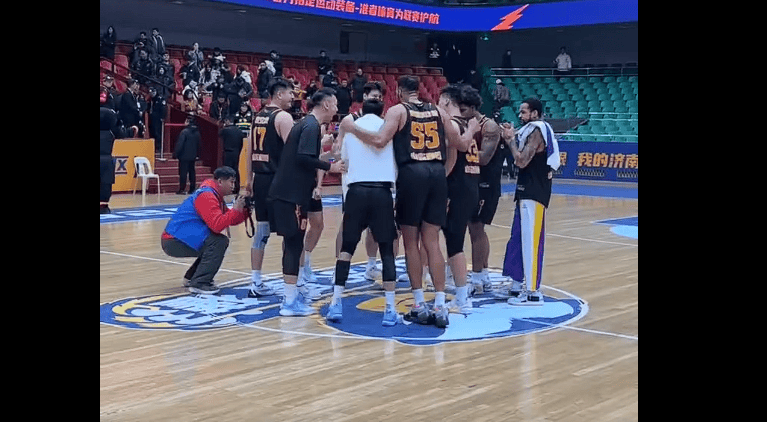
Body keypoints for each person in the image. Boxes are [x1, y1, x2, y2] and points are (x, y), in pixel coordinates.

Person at [340, 75, 479, 328]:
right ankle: (440, 303)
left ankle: (419, 303)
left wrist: (353, 129)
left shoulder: (398, 111)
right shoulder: (438, 111)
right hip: (436, 175)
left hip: (412, 174)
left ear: (399, 92)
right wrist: (471, 129)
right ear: (419, 90)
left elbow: (380, 140)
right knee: (432, 242)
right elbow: (460, 144)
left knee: (410, 242)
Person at [268, 88, 346, 316]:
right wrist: (330, 166)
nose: (337, 108)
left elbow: (304, 157)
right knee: (294, 245)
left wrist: (328, 159)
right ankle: (289, 302)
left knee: (293, 244)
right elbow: (304, 159)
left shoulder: (305, 124)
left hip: (287, 193)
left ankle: (291, 296)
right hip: (291, 195)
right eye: (335, 104)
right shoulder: (311, 126)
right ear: (326, 105)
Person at [326, 98, 399, 326]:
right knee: (387, 251)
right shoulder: (388, 128)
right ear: (382, 111)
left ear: (361, 111)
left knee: (346, 249)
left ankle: (336, 302)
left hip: (356, 191)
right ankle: (389, 308)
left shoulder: (351, 129)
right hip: (381, 191)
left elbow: (343, 160)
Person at [495, 97, 561, 306]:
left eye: (524, 112)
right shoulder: (530, 130)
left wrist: (510, 141)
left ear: (535, 113)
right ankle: (516, 285)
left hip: (535, 191)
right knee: (517, 239)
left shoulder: (538, 131)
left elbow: (521, 161)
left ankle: (533, 292)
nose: (520, 115)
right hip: (525, 190)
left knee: (531, 241)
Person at [243, 78, 295, 298]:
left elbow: (249, 151)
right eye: (290, 93)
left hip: (260, 180)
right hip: (279, 181)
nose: (293, 97)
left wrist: (248, 181)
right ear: (279, 94)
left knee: (262, 232)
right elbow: (294, 153)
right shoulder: (283, 117)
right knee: (290, 233)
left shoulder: (258, 116)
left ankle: (255, 281)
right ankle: (291, 283)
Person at [161, 166, 250, 294]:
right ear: (220, 181)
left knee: (212, 242)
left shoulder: (213, 194)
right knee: (217, 242)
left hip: (178, 237)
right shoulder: (207, 196)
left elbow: (229, 219)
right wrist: (235, 210)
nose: (233, 185)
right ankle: (200, 283)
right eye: (231, 181)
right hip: (174, 240)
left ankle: (192, 277)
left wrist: (244, 211)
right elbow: (217, 225)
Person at [333, 82, 389, 281]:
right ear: (364, 98)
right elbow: (336, 148)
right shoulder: (350, 120)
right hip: (353, 178)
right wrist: (338, 160)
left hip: (375, 178)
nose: (377, 100)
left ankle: (371, 264)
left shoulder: (383, 121)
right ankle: (338, 266)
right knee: (347, 224)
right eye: (373, 97)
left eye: (379, 97)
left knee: (375, 226)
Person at [437, 84, 483, 313]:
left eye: (439, 101)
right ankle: (457, 289)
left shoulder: (454, 125)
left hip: (457, 188)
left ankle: (462, 298)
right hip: (470, 186)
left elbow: (452, 160)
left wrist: (440, 188)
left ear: (446, 102)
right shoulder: (466, 125)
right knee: (454, 242)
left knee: (454, 243)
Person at [466, 90, 507, 294]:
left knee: (476, 228)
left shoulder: (489, 126)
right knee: (476, 230)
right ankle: (483, 275)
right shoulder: (468, 125)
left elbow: (483, 158)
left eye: (463, 109)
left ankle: (477, 279)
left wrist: (460, 144)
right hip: (472, 182)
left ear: (472, 108)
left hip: (486, 184)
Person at [174, 116, 201, 194]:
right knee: (192, 172)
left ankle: (182, 189)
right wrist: (197, 154)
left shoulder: (184, 132)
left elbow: (180, 144)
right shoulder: (197, 132)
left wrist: (176, 153)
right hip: (193, 156)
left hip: (184, 156)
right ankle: (192, 188)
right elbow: (199, 145)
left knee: (183, 173)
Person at [100, 104, 120, 214]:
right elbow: (124, 133)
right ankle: (103, 206)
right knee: (106, 184)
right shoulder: (111, 132)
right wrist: (134, 129)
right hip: (107, 160)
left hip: (106, 160)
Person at [219, 116, 246, 196]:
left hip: (228, 152)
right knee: (236, 170)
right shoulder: (239, 131)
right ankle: (237, 187)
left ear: (227, 121)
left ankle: (227, 188)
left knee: (227, 171)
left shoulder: (225, 130)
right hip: (237, 152)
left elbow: (219, 134)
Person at [147, 86, 167, 152]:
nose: (151, 94)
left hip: (158, 119)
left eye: (153, 92)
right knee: (152, 133)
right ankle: (153, 147)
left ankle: (159, 148)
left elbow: (163, 109)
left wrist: (162, 117)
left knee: (158, 133)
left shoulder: (160, 99)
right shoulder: (150, 100)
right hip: (151, 119)